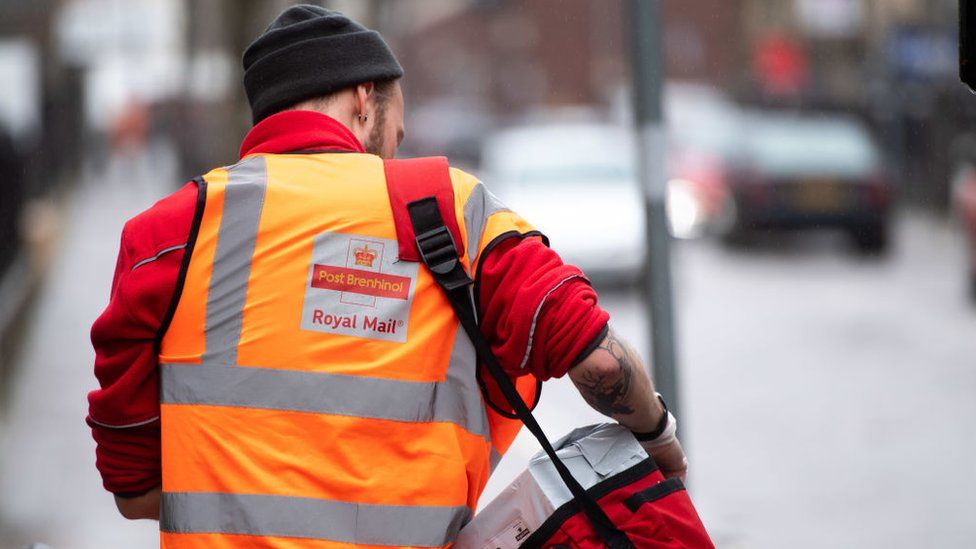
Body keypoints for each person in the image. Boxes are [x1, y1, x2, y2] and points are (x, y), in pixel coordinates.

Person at [87, 5, 687, 547]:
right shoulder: (449, 210)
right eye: (395, 131)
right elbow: (601, 363)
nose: (393, 153)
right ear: (362, 98)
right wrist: (660, 440)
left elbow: (135, 492)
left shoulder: (168, 236)